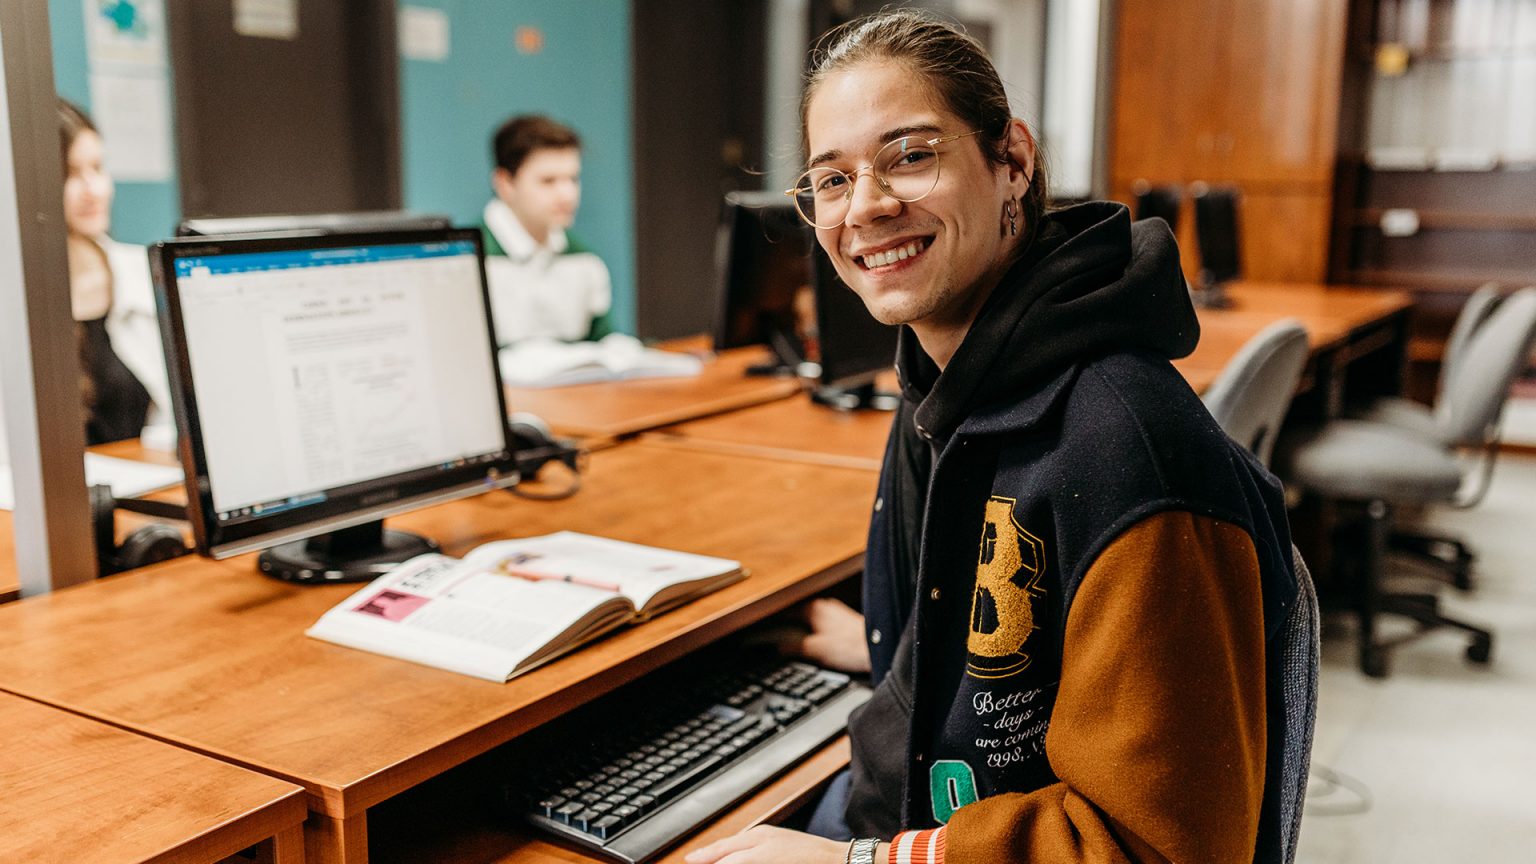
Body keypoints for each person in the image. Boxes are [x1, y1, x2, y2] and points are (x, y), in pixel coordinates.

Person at [686, 11, 1297, 864]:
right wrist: (901, 661)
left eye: (910, 156)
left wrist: (864, 862)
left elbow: (1164, 849)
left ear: (1011, 160)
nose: (865, 208)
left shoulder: (1127, 446)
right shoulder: (943, 394)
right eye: (831, 179)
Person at [58, 99, 173, 447]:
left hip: (145, 485)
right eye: (70, 175)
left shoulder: (142, 273)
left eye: (98, 167)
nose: (93, 189)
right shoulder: (17, 298)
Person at [481, 114, 614, 345]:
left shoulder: (585, 260)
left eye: (573, 179)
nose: (567, 195)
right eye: (548, 181)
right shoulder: (470, 260)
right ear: (505, 183)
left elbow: (603, 346)